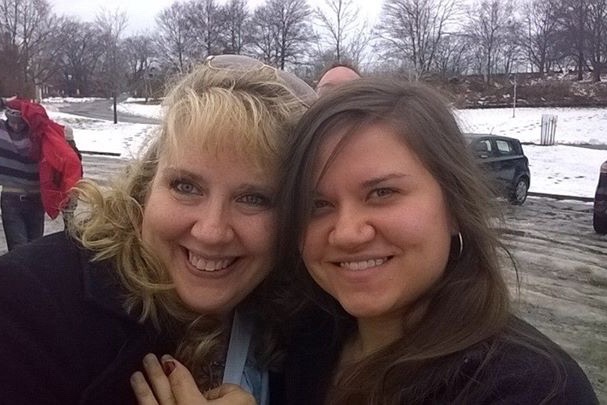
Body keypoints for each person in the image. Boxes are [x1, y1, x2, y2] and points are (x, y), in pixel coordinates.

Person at [0, 55, 315, 404]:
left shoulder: (308, 324)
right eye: (186, 187)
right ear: (146, 186)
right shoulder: (28, 303)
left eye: (253, 198)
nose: (211, 231)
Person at [276, 77, 599, 404]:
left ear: (454, 207)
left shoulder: (534, 390)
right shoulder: (298, 344)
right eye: (318, 204)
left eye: (382, 193)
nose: (346, 233)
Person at [0, 98, 81, 250]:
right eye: (12, 122)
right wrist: (4, 102)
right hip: (11, 198)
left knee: (34, 249)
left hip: (36, 199)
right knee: (19, 250)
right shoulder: (2, 131)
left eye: (20, 123)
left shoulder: (40, 135)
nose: (16, 126)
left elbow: (68, 163)